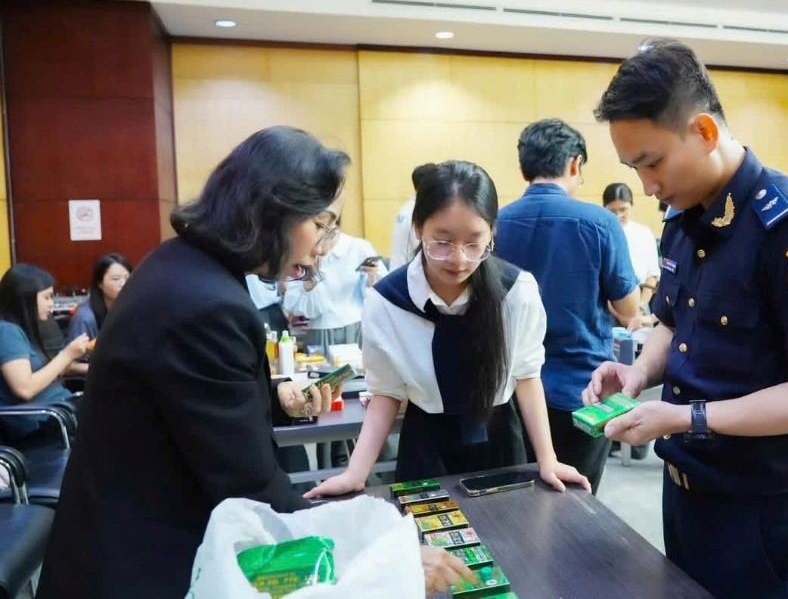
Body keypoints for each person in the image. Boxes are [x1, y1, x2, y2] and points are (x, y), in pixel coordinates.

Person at [38, 127, 471, 599]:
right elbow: (253, 491)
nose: (320, 247)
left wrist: (276, 399)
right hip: (141, 563)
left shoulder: (181, 265)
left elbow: (193, 406)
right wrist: (384, 558)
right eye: (321, 224)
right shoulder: (207, 305)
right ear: (275, 212)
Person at [584, 38, 788, 599]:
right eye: (634, 168)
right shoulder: (684, 216)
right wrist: (638, 375)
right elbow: (673, 321)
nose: (647, 187)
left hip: (762, 515)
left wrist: (687, 417)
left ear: (704, 131)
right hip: (685, 496)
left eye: (653, 163)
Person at [306, 160, 590, 498]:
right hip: (425, 444)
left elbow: (527, 377)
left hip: (500, 440)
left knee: (509, 529)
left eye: (474, 243)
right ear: (418, 229)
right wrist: (356, 473)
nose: (459, 259)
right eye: (442, 242)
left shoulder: (516, 291)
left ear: (492, 233)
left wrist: (548, 459)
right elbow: (386, 392)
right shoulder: (387, 301)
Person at [494, 119, 640, 494]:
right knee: (578, 501)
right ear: (575, 164)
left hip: (509, 390)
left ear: (523, 167)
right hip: (583, 388)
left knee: (516, 500)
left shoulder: (494, 224)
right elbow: (629, 309)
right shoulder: (601, 223)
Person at [0, 264, 89, 446]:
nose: (51, 303)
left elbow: (47, 371)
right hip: (45, 422)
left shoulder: (23, 329)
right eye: (47, 297)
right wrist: (67, 354)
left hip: (61, 410)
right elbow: (24, 389)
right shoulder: (7, 332)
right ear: (25, 299)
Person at [283, 209, 387, 352]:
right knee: (320, 367)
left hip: (354, 326)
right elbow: (292, 302)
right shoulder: (303, 250)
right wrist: (311, 280)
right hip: (319, 330)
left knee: (357, 365)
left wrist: (372, 277)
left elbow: (379, 294)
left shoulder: (358, 247)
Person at [602, 182, 660, 315]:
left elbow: (652, 274)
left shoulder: (644, 233)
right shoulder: (601, 234)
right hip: (609, 306)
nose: (618, 215)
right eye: (612, 211)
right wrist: (618, 315)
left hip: (641, 302)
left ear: (632, 206)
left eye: (623, 209)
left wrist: (641, 307)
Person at [67, 253, 134, 347]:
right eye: (116, 279)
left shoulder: (132, 309)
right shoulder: (85, 318)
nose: (124, 283)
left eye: (128, 278)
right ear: (100, 283)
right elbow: (74, 355)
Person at [390, 162, 437, 271]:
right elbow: (426, 249)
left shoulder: (407, 207)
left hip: (399, 270)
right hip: (407, 273)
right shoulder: (418, 211)